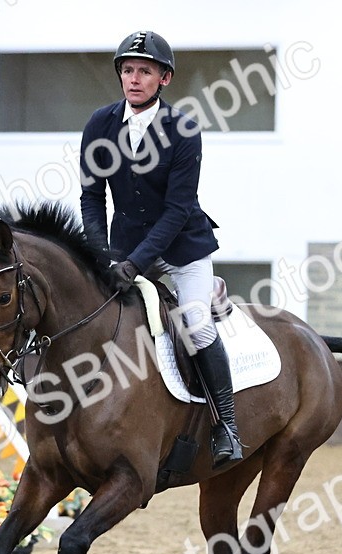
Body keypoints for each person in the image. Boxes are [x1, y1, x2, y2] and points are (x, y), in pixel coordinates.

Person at [79, 30, 242, 466]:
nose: (134, 79)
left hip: (182, 250)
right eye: (128, 70)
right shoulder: (100, 124)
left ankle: (227, 425)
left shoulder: (184, 130)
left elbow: (177, 209)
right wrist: (100, 255)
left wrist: (134, 263)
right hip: (124, 250)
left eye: (145, 71)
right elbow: (92, 197)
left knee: (195, 324)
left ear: (164, 79)